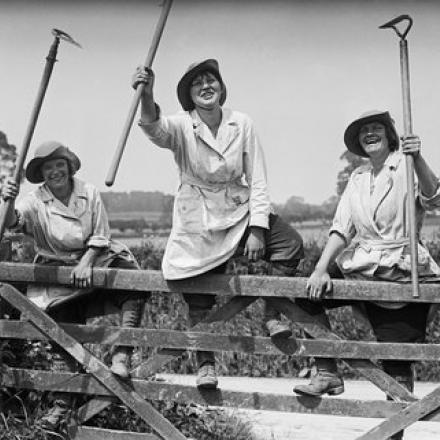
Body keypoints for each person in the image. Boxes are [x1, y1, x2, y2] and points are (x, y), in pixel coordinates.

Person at [132, 59, 304, 389]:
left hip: (238, 210)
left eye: (212, 80)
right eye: (198, 84)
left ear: (222, 88)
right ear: (189, 95)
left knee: (290, 244)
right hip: (198, 217)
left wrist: (257, 228)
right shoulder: (182, 125)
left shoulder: (242, 122)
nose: (207, 86)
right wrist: (147, 93)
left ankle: (273, 316)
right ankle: (206, 365)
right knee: (198, 289)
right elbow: (154, 128)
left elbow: (258, 179)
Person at [295, 110, 440, 440]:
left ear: (390, 136)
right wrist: (320, 270)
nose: (370, 134)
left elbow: (434, 196)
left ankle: (393, 434)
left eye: (377, 128)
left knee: (397, 365)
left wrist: (417, 157)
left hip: (403, 269)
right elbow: (341, 229)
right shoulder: (358, 177)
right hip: (363, 264)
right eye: (364, 132)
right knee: (304, 294)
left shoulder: (406, 165)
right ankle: (327, 370)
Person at [1, 141, 146, 430]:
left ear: (68, 167)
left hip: (92, 260)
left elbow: (101, 233)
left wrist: (87, 261)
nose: (55, 171)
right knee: (63, 335)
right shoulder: (35, 199)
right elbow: (10, 223)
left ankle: (121, 354)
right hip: (54, 271)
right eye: (48, 167)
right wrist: (8, 200)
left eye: (59, 165)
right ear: (42, 173)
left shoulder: (88, 192)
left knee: (135, 285)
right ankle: (61, 407)